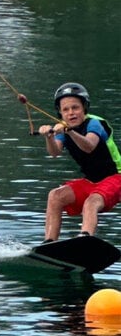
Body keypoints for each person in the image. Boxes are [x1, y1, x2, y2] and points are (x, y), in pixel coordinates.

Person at [37, 82, 121, 242]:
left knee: (92, 201)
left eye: (75, 108)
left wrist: (70, 131)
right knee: (55, 196)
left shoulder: (95, 123)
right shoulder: (64, 130)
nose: (71, 113)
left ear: (84, 108)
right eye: (65, 110)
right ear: (60, 113)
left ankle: (85, 239)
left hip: (116, 178)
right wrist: (49, 137)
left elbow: (89, 146)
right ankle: (49, 243)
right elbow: (55, 152)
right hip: (91, 181)